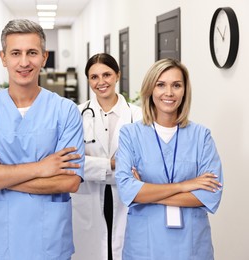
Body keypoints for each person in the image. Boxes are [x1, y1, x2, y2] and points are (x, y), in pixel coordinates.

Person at [0, 19, 85, 260]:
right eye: (15, 53)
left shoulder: (65, 111)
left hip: (49, 242)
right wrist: (40, 168)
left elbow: (69, 183)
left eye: (32, 53)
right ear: (3, 57)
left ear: (44, 57)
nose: (24, 62)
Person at [115, 58, 223, 260]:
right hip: (144, 246)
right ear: (150, 89)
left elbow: (210, 195)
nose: (169, 93)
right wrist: (186, 186)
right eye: (161, 85)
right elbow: (127, 190)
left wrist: (145, 190)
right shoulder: (130, 134)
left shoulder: (201, 136)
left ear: (185, 91)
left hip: (191, 247)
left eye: (176, 85)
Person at [72, 53, 142, 260]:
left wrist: (95, 167)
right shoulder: (76, 114)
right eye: (94, 77)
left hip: (125, 201)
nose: (101, 82)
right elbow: (72, 163)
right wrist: (115, 166)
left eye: (107, 75)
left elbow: (141, 166)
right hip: (88, 202)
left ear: (118, 75)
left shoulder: (138, 116)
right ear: (88, 80)